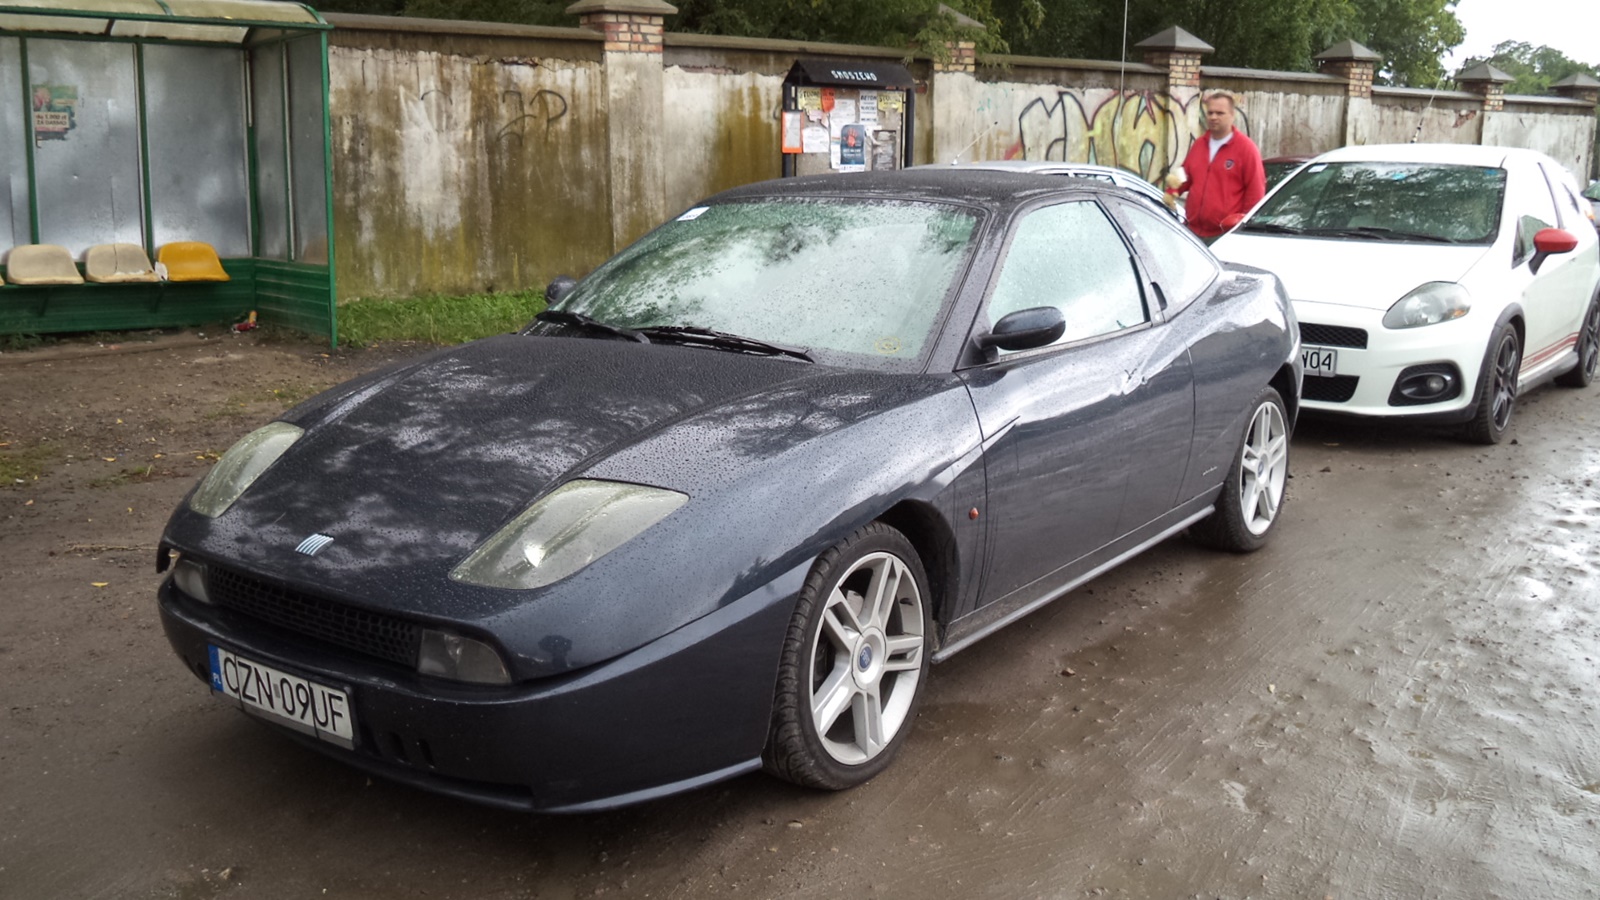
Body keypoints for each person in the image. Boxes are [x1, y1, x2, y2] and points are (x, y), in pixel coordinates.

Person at [1169, 91, 1266, 243]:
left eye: (1220, 113)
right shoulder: (1199, 145)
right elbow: (1184, 174)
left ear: (1232, 115)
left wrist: (1243, 230)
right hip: (1192, 232)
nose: (1213, 117)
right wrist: (1170, 192)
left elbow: (1255, 193)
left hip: (1225, 237)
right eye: (1210, 113)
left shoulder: (1246, 149)